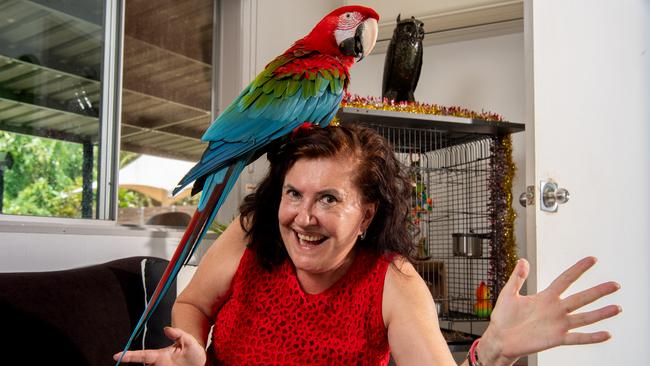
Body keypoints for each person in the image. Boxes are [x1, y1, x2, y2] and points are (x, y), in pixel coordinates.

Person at [114, 124, 621, 365]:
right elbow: (193, 303)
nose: (304, 217)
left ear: (368, 214)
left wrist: (493, 351)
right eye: (294, 193)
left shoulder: (392, 282)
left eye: (329, 199)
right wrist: (192, 355)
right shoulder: (251, 236)